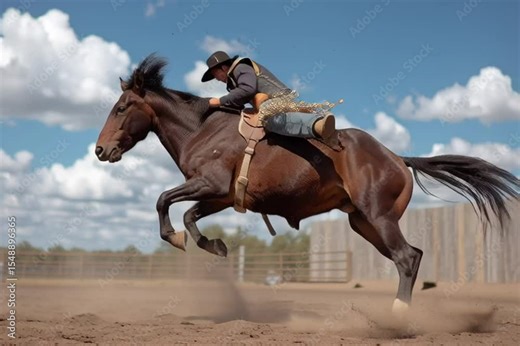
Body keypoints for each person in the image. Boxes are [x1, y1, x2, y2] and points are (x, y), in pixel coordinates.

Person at [201, 51, 337, 139]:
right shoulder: (233, 81)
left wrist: (219, 101)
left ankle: (318, 125)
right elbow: (238, 102)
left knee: (268, 119)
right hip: (267, 104)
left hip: (279, 99)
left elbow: (247, 89)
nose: (217, 79)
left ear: (223, 68)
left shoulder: (240, 68)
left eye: (216, 74)